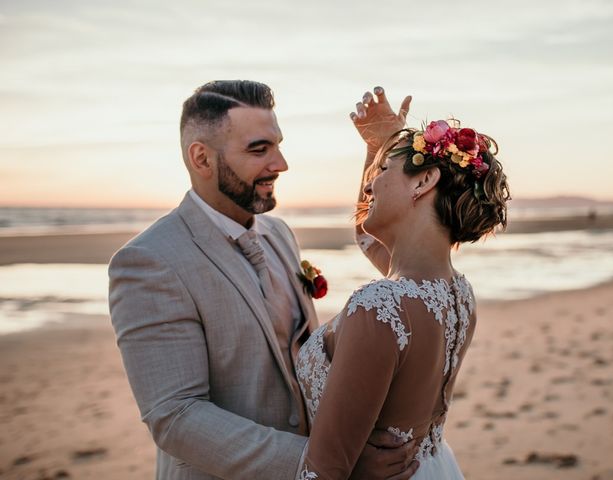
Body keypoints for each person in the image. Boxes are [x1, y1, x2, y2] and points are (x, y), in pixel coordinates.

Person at [108, 80, 418, 480]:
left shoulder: (279, 234)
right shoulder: (149, 261)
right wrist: (322, 464)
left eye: (277, 144)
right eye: (259, 150)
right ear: (201, 159)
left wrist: (379, 150)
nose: (281, 163)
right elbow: (176, 416)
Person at [295, 87, 510, 479]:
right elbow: (366, 235)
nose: (368, 186)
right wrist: (379, 147)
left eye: (382, 172)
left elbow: (322, 473)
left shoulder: (379, 307)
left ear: (423, 181)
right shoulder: (458, 294)